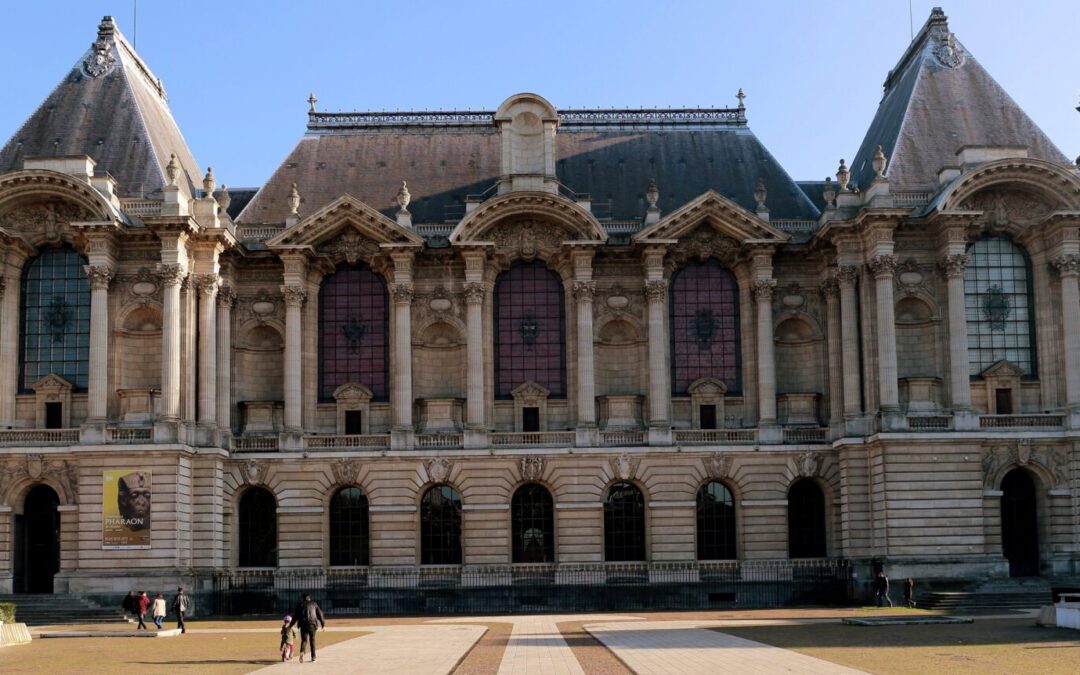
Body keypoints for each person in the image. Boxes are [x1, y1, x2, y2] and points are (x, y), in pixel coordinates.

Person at [288, 593, 325, 663]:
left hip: (303, 625)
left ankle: (302, 652)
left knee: (304, 640)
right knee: (312, 640)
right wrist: (323, 624)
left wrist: (290, 626)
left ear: (303, 598)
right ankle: (313, 657)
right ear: (309, 598)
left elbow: (295, 617)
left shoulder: (299, 605)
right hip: (313, 625)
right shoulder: (314, 604)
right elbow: (320, 614)